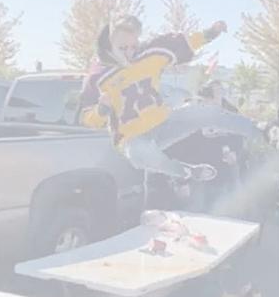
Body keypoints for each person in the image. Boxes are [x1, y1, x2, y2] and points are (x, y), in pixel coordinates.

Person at [79, 16, 262, 189]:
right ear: (109, 46)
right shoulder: (97, 76)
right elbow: (87, 118)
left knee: (204, 112)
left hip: (163, 123)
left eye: (133, 47)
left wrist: (211, 32)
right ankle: (184, 171)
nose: (129, 53)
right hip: (132, 138)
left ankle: (262, 131)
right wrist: (102, 109)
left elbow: (185, 43)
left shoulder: (150, 53)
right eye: (123, 48)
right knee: (142, 153)